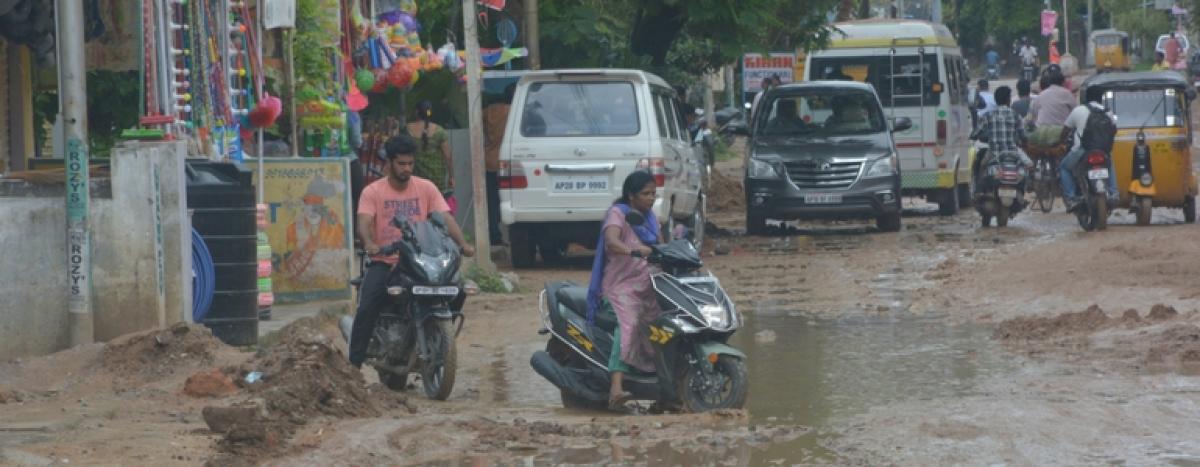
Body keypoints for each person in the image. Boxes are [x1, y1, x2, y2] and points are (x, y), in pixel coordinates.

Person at [349, 135, 476, 369]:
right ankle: (353, 367)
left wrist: (463, 244)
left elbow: (445, 218)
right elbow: (364, 222)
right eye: (401, 164)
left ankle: (435, 335)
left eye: (410, 164)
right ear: (389, 164)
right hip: (385, 260)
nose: (406, 169)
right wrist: (369, 242)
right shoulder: (372, 192)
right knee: (367, 307)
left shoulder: (426, 188)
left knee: (457, 289)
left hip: (419, 261)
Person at [586, 170, 661, 410]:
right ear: (631, 196)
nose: (651, 198)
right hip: (620, 286)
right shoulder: (618, 214)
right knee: (628, 322)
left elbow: (661, 245)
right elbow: (612, 241)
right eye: (646, 194)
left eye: (654, 194)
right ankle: (616, 389)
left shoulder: (651, 218)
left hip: (648, 282)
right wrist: (634, 251)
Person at [1059, 88, 1119, 212]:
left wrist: (1060, 141)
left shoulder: (1078, 110)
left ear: (1085, 97)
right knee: (1110, 164)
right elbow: (1114, 130)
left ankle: (1072, 198)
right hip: (1103, 151)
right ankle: (1113, 192)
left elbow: (1065, 131)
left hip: (1082, 151)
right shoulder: (1107, 112)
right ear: (1100, 99)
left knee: (1064, 167)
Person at [970, 86, 1032, 194]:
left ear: (996, 100)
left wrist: (973, 136)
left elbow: (975, 133)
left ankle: (979, 191)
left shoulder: (988, 115)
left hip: (993, 152)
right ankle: (1026, 189)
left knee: (982, 166)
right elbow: (1023, 135)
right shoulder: (1015, 115)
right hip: (1014, 151)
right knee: (1030, 166)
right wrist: (1025, 144)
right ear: (1008, 99)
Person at [483, 84, 515, 245]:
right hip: (508, 161)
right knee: (512, 199)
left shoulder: (487, 112)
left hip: (489, 160)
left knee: (492, 201)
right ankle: (513, 236)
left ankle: (494, 235)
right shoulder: (513, 111)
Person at [407, 100, 455, 192]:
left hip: (416, 179)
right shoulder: (439, 131)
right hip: (436, 179)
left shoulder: (407, 129)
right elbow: (448, 157)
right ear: (430, 112)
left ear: (416, 112)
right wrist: (451, 176)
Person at [1026, 65, 1074, 145]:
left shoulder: (1040, 95)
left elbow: (1030, 118)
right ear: (1063, 81)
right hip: (1061, 134)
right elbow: (1075, 112)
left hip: (1041, 134)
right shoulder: (1068, 94)